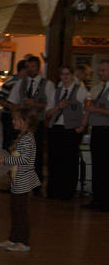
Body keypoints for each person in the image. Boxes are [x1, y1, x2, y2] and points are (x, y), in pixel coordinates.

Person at [0, 107, 40, 252]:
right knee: (15, 210)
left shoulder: (27, 138)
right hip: (17, 179)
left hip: (23, 179)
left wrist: (5, 160)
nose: (13, 121)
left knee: (20, 211)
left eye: (16, 119)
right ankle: (14, 238)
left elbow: (24, 159)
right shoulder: (23, 137)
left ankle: (23, 241)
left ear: (25, 121)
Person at [8, 55, 52, 193]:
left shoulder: (47, 84)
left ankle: (37, 186)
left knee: (36, 154)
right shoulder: (20, 83)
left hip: (38, 123)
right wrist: (16, 118)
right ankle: (17, 182)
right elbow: (13, 102)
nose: (30, 69)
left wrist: (36, 104)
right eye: (28, 67)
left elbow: (51, 106)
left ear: (38, 68)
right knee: (18, 153)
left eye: (33, 66)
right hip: (22, 124)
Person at [44, 65, 88, 200]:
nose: (65, 77)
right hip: (56, 127)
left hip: (71, 129)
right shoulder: (56, 91)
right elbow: (47, 112)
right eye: (62, 74)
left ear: (72, 75)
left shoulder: (80, 90)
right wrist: (58, 106)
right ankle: (53, 191)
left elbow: (87, 110)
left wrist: (82, 126)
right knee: (54, 160)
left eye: (67, 74)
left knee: (69, 161)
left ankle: (67, 192)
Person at [83, 61, 109, 211]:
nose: (101, 73)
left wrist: (95, 109)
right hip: (98, 130)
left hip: (106, 131)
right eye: (100, 70)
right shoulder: (101, 88)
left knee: (104, 166)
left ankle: (104, 201)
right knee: (98, 165)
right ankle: (98, 198)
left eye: (104, 70)